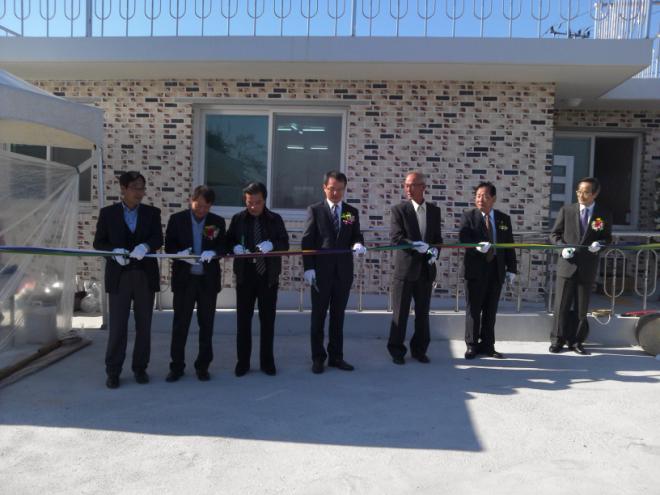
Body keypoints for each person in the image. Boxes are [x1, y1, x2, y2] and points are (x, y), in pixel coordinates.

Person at [93, 171, 163, 389]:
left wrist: (146, 246)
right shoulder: (108, 213)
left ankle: (140, 367)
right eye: (135, 187)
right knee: (118, 326)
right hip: (119, 276)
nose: (139, 192)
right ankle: (113, 370)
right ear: (123, 189)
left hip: (144, 275)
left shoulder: (152, 213)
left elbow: (158, 238)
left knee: (144, 325)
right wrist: (113, 251)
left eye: (142, 188)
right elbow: (98, 242)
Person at [301, 170, 366, 374]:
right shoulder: (316, 210)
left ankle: (336, 357)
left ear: (344, 189)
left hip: (343, 273)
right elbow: (307, 241)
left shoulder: (349, 212)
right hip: (320, 273)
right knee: (318, 317)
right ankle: (318, 358)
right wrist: (308, 267)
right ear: (324, 188)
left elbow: (355, 235)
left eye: (340, 189)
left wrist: (358, 244)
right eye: (332, 189)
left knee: (338, 317)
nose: (336, 193)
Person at [164, 185, 226, 382]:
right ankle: (176, 366)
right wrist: (180, 254)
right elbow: (169, 246)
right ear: (191, 200)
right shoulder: (177, 219)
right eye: (198, 205)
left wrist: (214, 252)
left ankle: (203, 366)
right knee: (180, 325)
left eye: (206, 207)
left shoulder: (216, 221)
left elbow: (222, 245)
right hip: (185, 280)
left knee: (206, 325)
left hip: (207, 281)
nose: (201, 210)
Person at [226, 182, 289, 377]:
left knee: (267, 321)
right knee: (243, 322)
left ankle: (267, 362)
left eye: (257, 202)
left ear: (264, 200)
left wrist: (273, 245)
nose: (253, 206)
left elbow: (285, 243)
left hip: (267, 276)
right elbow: (228, 240)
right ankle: (243, 362)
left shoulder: (274, 219)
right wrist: (234, 247)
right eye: (249, 202)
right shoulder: (238, 219)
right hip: (245, 275)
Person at [549, 177, 612, 355]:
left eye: (585, 192)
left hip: (587, 265)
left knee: (581, 308)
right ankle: (557, 340)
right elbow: (554, 234)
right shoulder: (567, 210)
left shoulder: (603, 213)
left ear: (595, 194)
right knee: (561, 305)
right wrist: (562, 248)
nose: (581, 195)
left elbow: (607, 237)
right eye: (579, 191)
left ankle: (576, 341)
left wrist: (600, 244)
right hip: (567, 264)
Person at [387, 171, 443, 365]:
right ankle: (397, 351)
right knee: (400, 313)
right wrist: (413, 245)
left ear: (423, 187)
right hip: (405, 270)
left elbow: (437, 239)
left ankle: (420, 350)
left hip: (426, 270)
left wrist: (434, 252)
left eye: (413, 185)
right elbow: (396, 238)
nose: (408, 189)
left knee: (422, 314)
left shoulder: (434, 211)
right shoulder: (399, 210)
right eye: (406, 185)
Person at [459, 182, 517, 360]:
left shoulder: (503, 219)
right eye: (478, 196)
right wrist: (476, 247)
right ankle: (472, 345)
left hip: (496, 270)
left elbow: (509, 245)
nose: (480, 199)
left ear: (493, 198)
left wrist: (512, 269)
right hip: (475, 270)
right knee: (473, 310)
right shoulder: (469, 216)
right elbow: (463, 238)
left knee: (490, 311)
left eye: (484, 196)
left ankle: (488, 345)